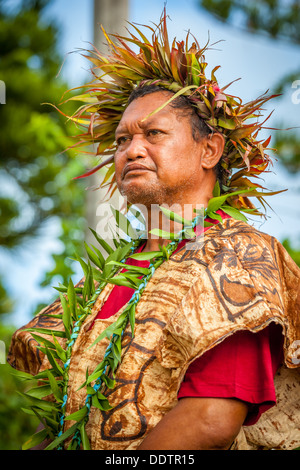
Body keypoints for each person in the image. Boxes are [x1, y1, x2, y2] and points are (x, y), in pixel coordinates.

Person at [8, 10, 300, 451]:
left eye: (153, 133)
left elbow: (211, 418)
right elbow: (61, 414)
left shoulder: (239, 256)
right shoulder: (104, 279)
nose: (131, 150)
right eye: (122, 140)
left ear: (209, 149)